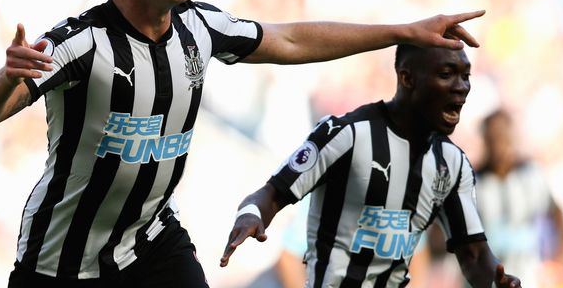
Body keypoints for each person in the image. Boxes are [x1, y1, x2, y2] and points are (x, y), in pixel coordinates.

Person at [0, 0, 486, 287]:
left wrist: (402, 32)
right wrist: (6, 78)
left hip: (149, 241)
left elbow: (289, 38)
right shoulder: (82, 43)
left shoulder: (200, 28)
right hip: (59, 261)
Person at [220, 44, 522, 288]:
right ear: (407, 78)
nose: (461, 88)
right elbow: (274, 198)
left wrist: (496, 280)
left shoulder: (450, 164)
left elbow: (472, 252)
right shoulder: (347, 137)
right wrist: (253, 212)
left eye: (466, 76)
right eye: (447, 74)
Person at [474, 108, 563, 288]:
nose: (497, 144)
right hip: (486, 280)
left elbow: (556, 212)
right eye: (492, 138)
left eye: (501, 136)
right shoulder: (474, 181)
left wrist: (558, 256)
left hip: (527, 276)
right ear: (485, 140)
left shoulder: (531, 175)